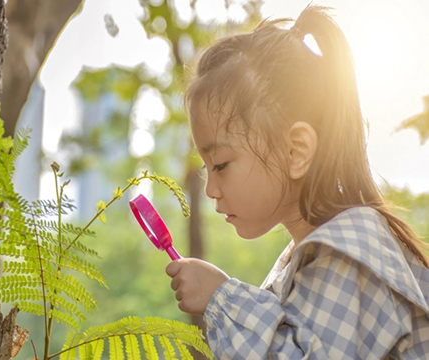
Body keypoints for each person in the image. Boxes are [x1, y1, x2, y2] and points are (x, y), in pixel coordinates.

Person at [165, 5, 429, 359]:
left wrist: (221, 297)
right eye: (206, 169)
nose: (211, 189)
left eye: (222, 164)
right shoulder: (307, 259)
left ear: (296, 151)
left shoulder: (350, 252)